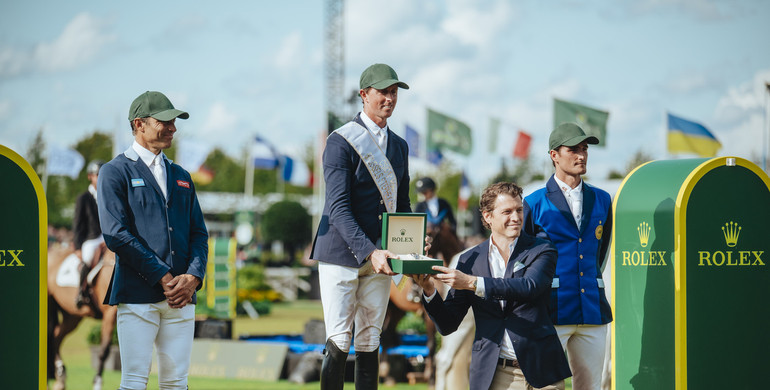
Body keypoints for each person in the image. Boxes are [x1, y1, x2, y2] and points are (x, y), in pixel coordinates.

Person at [310, 63, 412, 390]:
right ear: (363, 94)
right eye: (383, 91)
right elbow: (337, 208)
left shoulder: (400, 146)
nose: (390, 98)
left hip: (382, 256)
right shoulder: (341, 141)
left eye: (394, 92)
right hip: (342, 253)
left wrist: (413, 240)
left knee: (371, 338)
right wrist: (371, 252)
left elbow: (403, 205)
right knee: (340, 338)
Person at [412, 182, 571, 390]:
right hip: (496, 373)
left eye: (519, 210)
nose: (516, 217)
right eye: (507, 211)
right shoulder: (469, 260)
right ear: (488, 216)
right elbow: (448, 324)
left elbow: (529, 286)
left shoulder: (542, 249)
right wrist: (429, 290)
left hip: (542, 370)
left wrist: (472, 282)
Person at [98, 91, 208, 390]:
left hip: (181, 298)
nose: (173, 128)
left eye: (174, 122)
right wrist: (163, 276)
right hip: (137, 295)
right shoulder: (114, 171)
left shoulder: (182, 175)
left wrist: (194, 277)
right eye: (165, 122)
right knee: (134, 381)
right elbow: (115, 234)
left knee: (176, 383)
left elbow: (199, 233)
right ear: (139, 124)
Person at [522, 122, 612, 390]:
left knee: (591, 386)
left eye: (584, 149)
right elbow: (523, 259)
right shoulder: (534, 202)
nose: (581, 155)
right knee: (546, 386)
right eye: (573, 149)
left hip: (592, 310)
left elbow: (600, 251)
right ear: (554, 155)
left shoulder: (603, 199)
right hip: (551, 309)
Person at [73, 159, 105, 308]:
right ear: (90, 176)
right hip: (92, 238)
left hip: (109, 237)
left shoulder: (111, 195)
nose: (101, 177)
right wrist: (78, 247)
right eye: (98, 174)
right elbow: (78, 225)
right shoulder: (83, 198)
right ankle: (81, 291)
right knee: (88, 256)